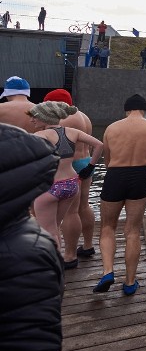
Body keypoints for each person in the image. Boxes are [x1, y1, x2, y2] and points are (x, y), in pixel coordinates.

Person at [0, 124, 64, 351]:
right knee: (65, 221)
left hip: (53, 188)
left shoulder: (25, 256)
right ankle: (77, 254)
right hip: (72, 179)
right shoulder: (77, 127)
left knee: (49, 228)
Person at [93, 94, 146, 295]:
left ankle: (108, 271)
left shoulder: (112, 128)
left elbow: (107, 162)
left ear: (126, 110)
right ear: (144, 109)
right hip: (141, 176)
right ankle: (130, 282)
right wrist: (141, 162)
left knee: (107, 227)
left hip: (116, 175)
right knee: (132, 230)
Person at [28, 101, 103, 257]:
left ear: (45, 117)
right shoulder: (72, 132)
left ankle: (51, 267)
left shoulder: (39, 136)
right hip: (71, 184)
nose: (32, 120)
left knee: (48, 231)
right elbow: (99, 145)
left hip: (49, 187)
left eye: (34, 116)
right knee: (54, 227)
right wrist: (90, 167)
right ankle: (60, 261)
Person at [45, 89, 99, 266]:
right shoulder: (83, 116)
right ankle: (88, 245)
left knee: (70, 212)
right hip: (86, 161)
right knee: (84, 206)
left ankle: (69, 256)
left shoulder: (62, 118)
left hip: (70, 165)